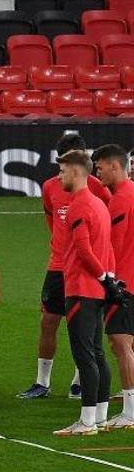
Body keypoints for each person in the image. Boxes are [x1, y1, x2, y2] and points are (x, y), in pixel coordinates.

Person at [17, 132, 106, 400]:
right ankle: (42, 382)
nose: (61, 170)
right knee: (49, 321)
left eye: (66, 163)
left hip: (87, 267)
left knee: (85, 327)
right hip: (58, 265)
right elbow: (52, 221)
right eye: (60, 163)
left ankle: (80, 380)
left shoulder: (97, 187)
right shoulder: (49, 187)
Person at [53, 150, 119, 437]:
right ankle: (101, 417)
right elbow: (108, 248)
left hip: (81, 287)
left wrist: (103, 277)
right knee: (97, 354)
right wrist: (110, 280)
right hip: (98, 291)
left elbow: (82, 249)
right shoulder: (100, 204)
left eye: (63, 171)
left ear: (78, 172)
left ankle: (87, 421)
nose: (60, 176)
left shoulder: (79, 204)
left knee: (85, 357)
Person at [96, 144, 134, 430]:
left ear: (114, 166)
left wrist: (109, 280)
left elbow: (115, 244)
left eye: (100, 167)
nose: (98, 173)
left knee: (121, 344)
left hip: (124, 281)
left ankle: (130, 411)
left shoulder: (121, 199)